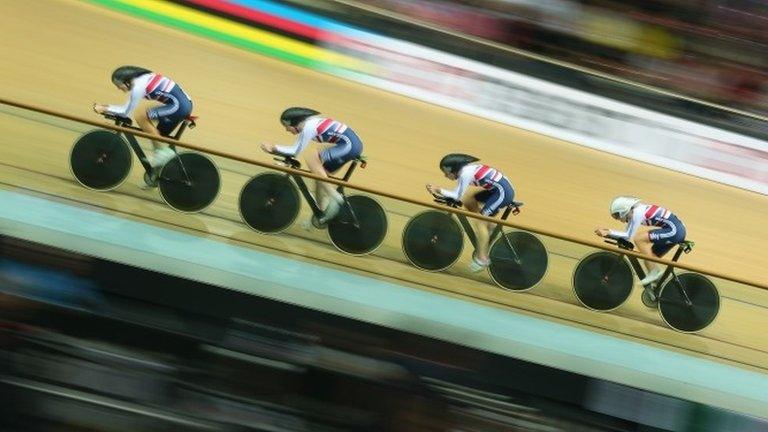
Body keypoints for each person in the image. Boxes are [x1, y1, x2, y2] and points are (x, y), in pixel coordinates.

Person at [92, 65, 193, 187]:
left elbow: (125, 111)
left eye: (119, 85)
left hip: (179, 106)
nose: (119, 88)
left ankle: (162, 153)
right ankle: (156, 174)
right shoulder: (142, 80)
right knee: (156, 135)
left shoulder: (138, 86)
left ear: (127, 81)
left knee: (140, 116)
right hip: (182, 104)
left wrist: (104, 108)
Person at [260, 107, 363, 225]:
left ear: (294, 123)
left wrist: (273, 148)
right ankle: (321, 214)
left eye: (286, 126)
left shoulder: (309, 127)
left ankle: (335, 197)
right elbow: (296, 147)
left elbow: (295, 150)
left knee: (311, 158)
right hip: (349, 144)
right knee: (319, 177)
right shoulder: (308, 125)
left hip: (349, 146)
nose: (286, 130)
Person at [427, 153, 516, 272]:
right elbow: (460, 196)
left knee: (480, 222)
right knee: (468, 200)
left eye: (446, 172)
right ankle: (487, 226)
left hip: (502, 193)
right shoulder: (465, 171)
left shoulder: (465, 174)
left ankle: (482, 259)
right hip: (496, 190)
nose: (445, 175)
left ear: (455, 169)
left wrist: (438, 189)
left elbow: (456, 196)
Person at [595, 196, 687, 287]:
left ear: (624, 210)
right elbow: (626, 234)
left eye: (618, 216)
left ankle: (654, 273)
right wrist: (608, 232)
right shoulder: (636, 210)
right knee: (650, 257)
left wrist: (608, 232)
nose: (620, 220)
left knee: (639, 239)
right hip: (676, 230)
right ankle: (659, 285)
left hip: (675, 231)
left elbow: (628, 235)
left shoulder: (637, 213)